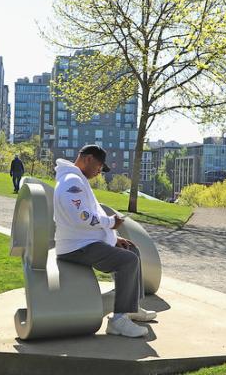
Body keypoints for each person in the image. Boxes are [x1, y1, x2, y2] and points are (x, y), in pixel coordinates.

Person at [53, 144, 156, 338]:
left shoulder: (76, 179)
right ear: (88, 158)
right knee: (128, 261)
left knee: (131, 250)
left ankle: (130, 308)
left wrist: (113, 238)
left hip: (84, 242)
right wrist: (111, 223)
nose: (100, 172)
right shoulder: (71, 182)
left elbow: (87, 218)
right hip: (76, 247)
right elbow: (82, 216)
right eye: (99, 166)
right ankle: (117, 322)